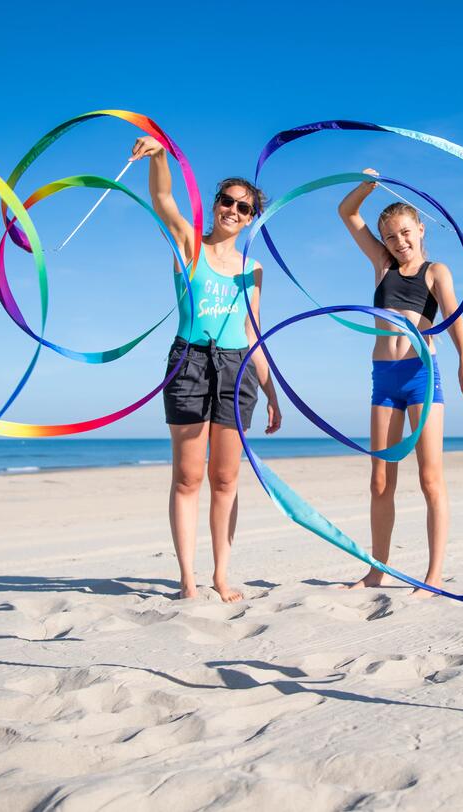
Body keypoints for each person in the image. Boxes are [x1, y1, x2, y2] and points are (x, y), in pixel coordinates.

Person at [131, 136, 282, 602]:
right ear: (215, 204)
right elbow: (162, 198)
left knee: (225, 478)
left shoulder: (252, 270)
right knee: (188, 476)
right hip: (190, 362)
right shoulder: (188, 244)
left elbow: (253, 331)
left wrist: (273, 392)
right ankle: (187, 580)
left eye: (244, 207)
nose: (233, 210)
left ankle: (221, 575)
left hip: (238, 370)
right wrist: (158, 156)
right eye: (226, 201)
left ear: (253, 217)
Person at [338, 169, 463, 595]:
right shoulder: (382, 264)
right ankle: (376, 569)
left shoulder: (436, 271)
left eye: (405, 232)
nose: (399, 242)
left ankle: (434, 573)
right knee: (381, 480)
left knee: (429, 477)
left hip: (423, 375)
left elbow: (455, 318)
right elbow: (347, 212)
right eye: (390, 236)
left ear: (421, 228)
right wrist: (365, 184)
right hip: (384, 378)